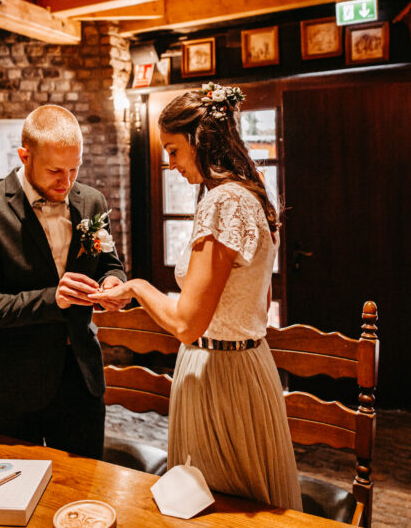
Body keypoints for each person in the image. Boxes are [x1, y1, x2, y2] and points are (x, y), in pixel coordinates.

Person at [90, 83, 303, 510]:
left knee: (215, 506)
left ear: (199, 139)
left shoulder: (222, 202)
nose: (170, 164)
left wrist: (137, 287)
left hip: (218, 374)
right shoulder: (252, 192)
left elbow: (187, 325)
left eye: (173, 150)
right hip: (250, 365)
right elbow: (256, 302)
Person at [0, 105, 126, 459]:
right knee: (15, 483)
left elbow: (110, 264)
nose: (66, 182)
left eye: (74, 168)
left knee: (86, 483)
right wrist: (54, 299)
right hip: (14, 385)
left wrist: (113, 282)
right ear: (25, 156)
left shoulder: (92, 201)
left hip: (81, 379)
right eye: (55, 171)